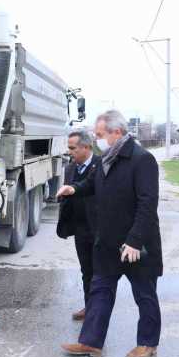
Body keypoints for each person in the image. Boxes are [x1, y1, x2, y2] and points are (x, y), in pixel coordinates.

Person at [58, 110, 162, 357]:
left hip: (135, 245)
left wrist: (135, 240)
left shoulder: (142, 159)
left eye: (100, 134)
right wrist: (74, 188)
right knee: (100, 291)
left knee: (144, 294)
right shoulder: (107, 157)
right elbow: (93, 184)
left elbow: (148, 204)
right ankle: (90, 342)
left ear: (117, 132)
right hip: (107, 242)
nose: (97, 139)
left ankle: (148, 343)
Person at [56, 130, 99, 321]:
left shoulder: (102, 166)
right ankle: (89, 307)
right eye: (69, 148)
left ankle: (98, 311)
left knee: (100, 274)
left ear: (86, 147)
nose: (69, 152)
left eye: (73, 148)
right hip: (80, 228)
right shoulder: (70, 168)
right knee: (86, 271)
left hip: (99, 229)